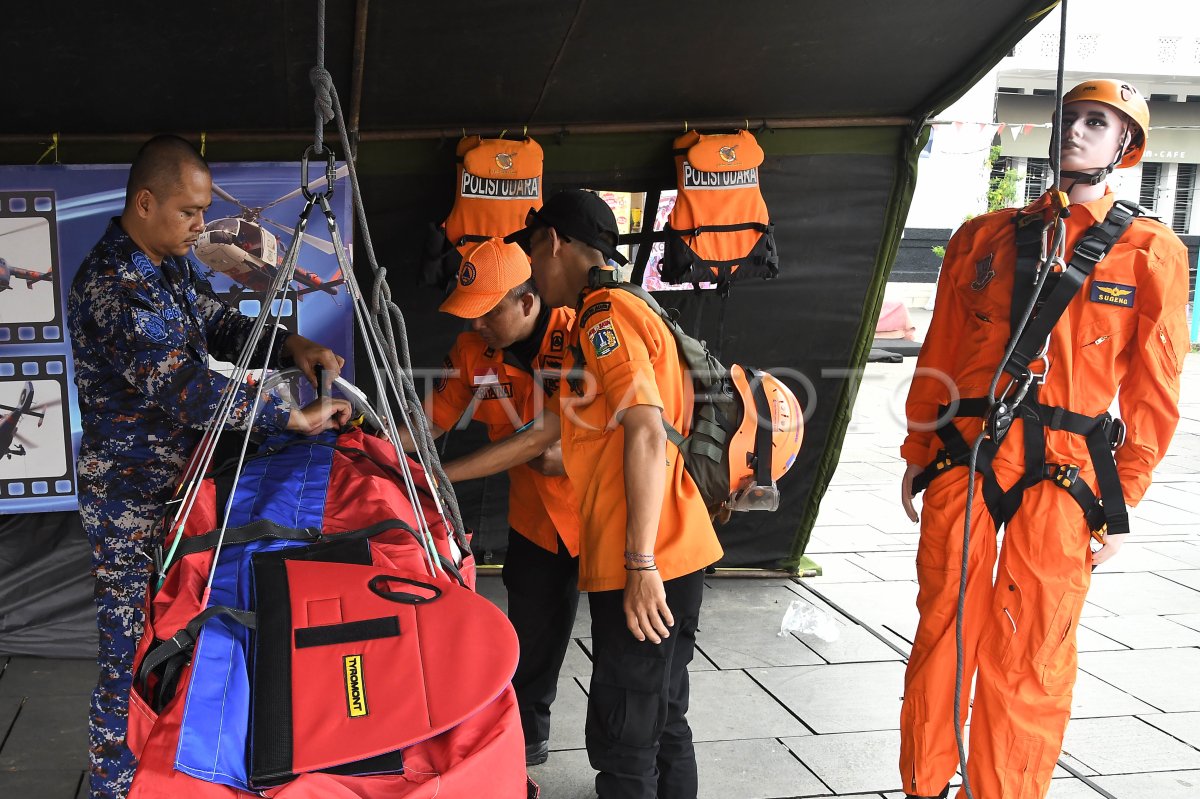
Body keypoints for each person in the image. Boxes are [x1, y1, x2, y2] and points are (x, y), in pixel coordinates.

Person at [898, 80, 1189, 799]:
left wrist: (1124, 495)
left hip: (1064, 470)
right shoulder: (983, 236)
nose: (1076, 132)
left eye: (1097, 122)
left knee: (1031, 647)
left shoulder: (1150, 251)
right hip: (966, 452)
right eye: (1070, 118)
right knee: (942, 625)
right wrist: (917, 450)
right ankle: (925, 787)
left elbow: (1156, 392)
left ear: (1126, 145)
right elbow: (941, 346)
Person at [67, 134, 351, 799]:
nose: (202, 224)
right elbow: (188, 387)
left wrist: (291, 343)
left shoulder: (164, 261)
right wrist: (290, 415)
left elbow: (214, 324)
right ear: (146, 202)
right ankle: (114, 780)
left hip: (181, 485)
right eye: (190, 211)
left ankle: (175, 767)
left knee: (182, 627)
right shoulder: (115, 285)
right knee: (128, 646)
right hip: (129, 501)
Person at [442, 189, 723, 799]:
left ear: (552, 244)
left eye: (533, 251)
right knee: (663, 715)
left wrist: (639, 563)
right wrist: (446, 476)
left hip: (643, 556)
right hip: (681, 540)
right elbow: (550, 430)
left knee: (626, 739)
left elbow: (646, 430)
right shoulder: (629, 307)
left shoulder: (601, 320)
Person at [420, 236, 582, 766]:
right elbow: (426, 424)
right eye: (470, 315)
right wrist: (377, 447)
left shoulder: (581, 337)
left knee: (622, 645)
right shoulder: (473, 353)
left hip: (603, 516)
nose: (476, 326)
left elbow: (550, 456)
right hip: (536, 521)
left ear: (528, 302)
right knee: (530, 630)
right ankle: (526, 735)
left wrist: (442, 475)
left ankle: (624, 751)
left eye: (488, 313)